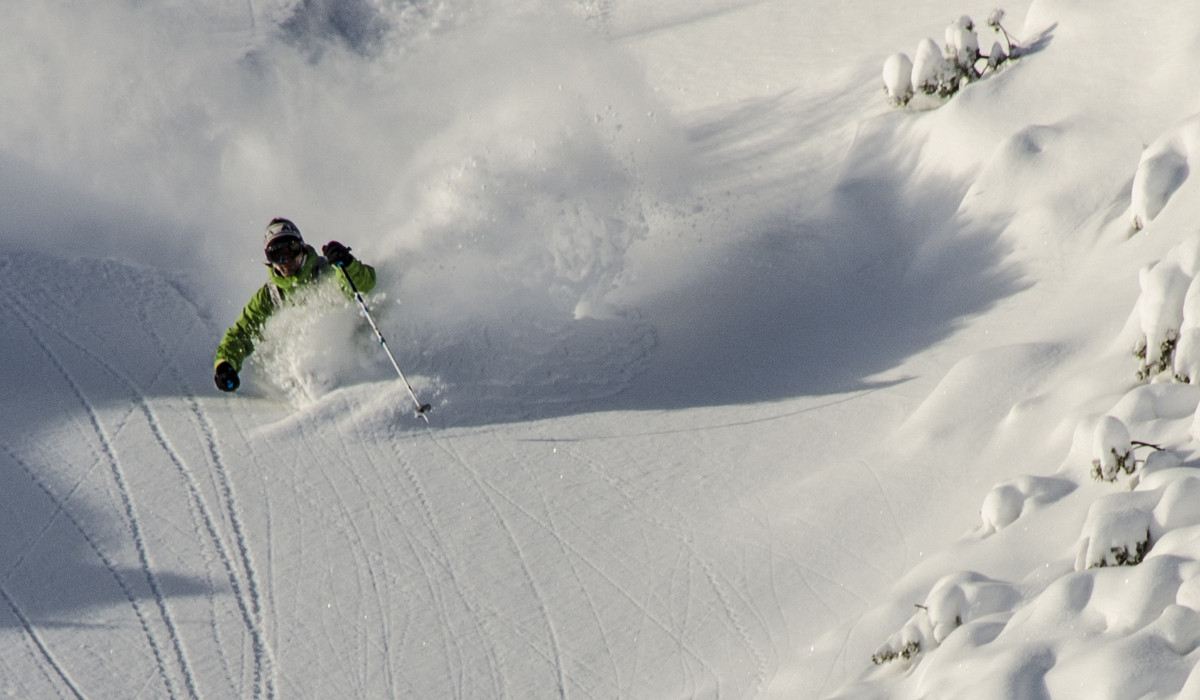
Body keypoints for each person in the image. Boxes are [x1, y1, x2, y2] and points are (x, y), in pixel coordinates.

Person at [214, 217, 377, 392]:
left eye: (291, 249)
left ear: (301, 247)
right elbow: (242, 333)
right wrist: (225, 364)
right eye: (277, 254)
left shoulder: (327, 269)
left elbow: (364, 285)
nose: (286, 260)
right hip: (314, 371)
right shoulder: (270, 295)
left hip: (354, 355)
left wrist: (347, 263)